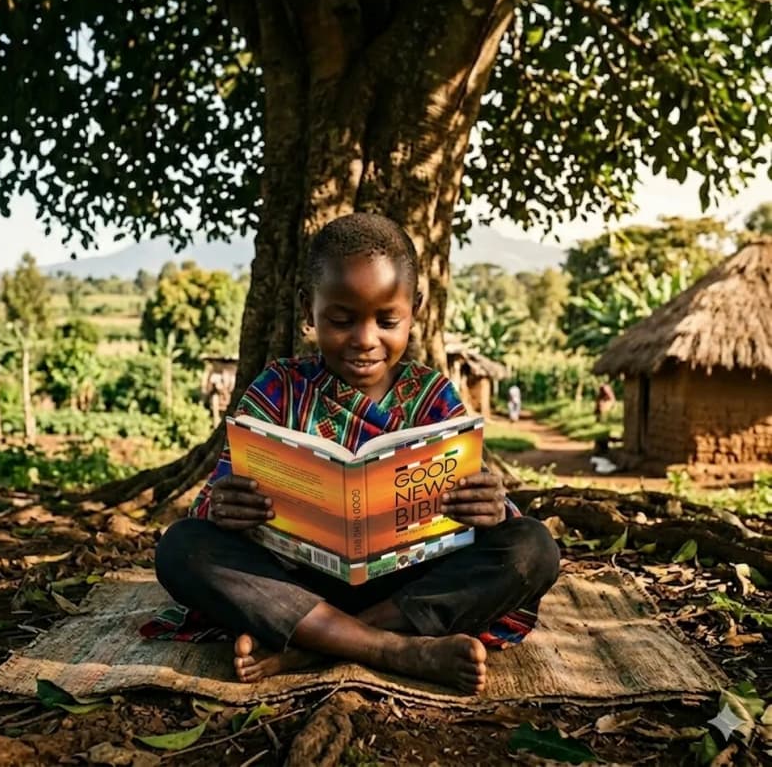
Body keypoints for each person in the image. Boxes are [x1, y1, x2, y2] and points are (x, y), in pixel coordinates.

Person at [153, 213, 559, 695]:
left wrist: (490, 508)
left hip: (406, 590)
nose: (365, 340)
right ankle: (395, 650)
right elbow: (211, 501)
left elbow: (488, 507)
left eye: (388, 321)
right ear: (309, 309)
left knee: (532, 548)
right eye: (342, 320)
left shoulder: (433, 397)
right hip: (296, 587)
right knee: (182, 548)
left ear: (416, 310)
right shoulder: (278, 388)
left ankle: (312, 647)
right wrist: (224, 509)